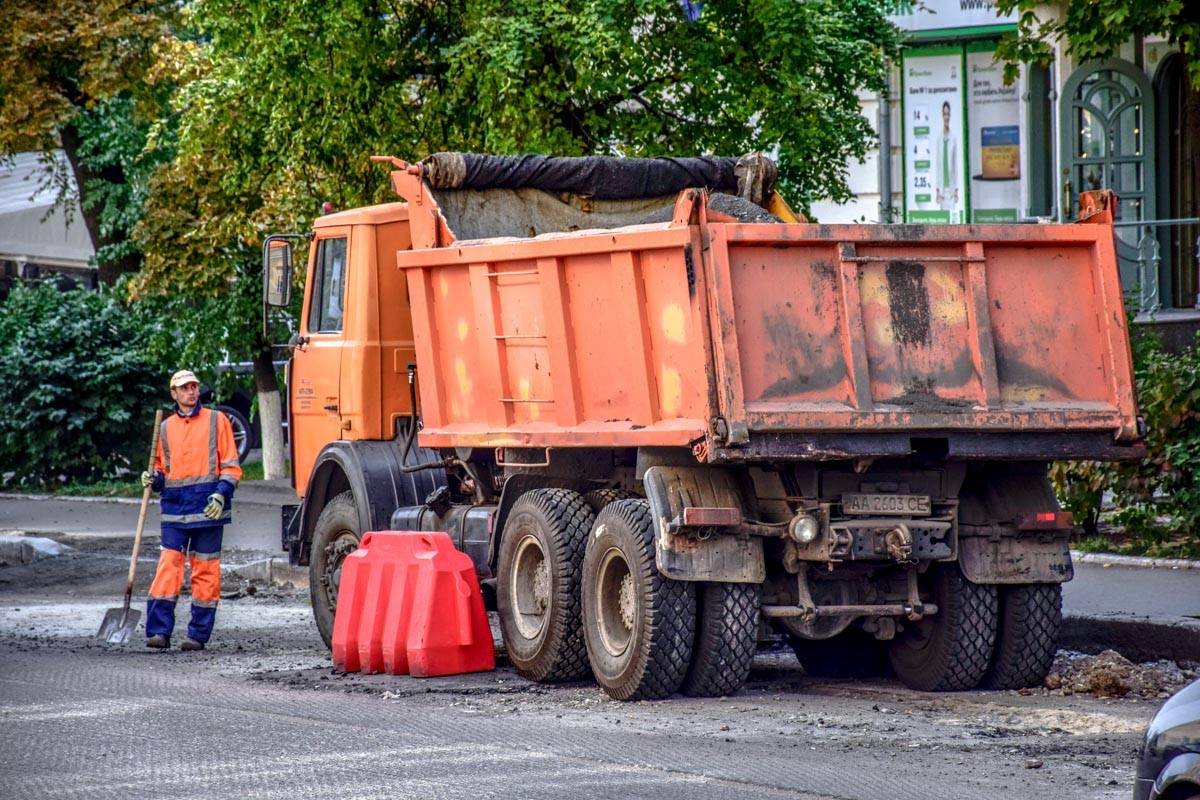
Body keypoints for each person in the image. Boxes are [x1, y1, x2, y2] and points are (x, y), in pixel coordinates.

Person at [140, 370, 242, 650]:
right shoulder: (165, 427)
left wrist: (221, 495)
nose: (191, 391)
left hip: (209, 509)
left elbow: (231, 467)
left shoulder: (216, 420)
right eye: (185, 388)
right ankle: (159, 632)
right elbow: (162, 469)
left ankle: (197, 636)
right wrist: (154, 478)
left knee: (206, 572)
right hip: (174, 510)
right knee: (168, 569)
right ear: (174, 393)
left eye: (194, 386)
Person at [934, 101, 960, 218]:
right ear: (941, 115)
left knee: (953, 221)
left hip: (951, 189)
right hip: (942, 190)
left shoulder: (953, 138)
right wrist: (937, 190)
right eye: (944, 114)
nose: (946, 117)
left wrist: (956, 190)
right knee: (942, 221)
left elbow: (955, 165)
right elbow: (938, 165)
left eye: (948, 114)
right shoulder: (939, 139)